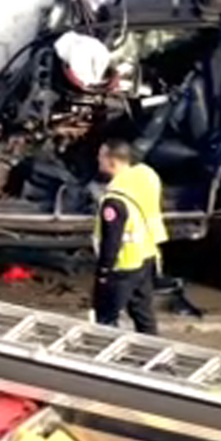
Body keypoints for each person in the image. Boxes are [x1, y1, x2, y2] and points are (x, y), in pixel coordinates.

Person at [91, 139, 167, 335]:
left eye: (101, 157)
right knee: (144, 314)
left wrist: (103, 272)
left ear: (112, 162)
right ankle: (154, 357)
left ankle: (103, 359)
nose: (98, 160)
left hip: (123, 266)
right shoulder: (146, 175)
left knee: (106, 318)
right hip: (148, 256)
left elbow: (112, 241)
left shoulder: (115, 198)